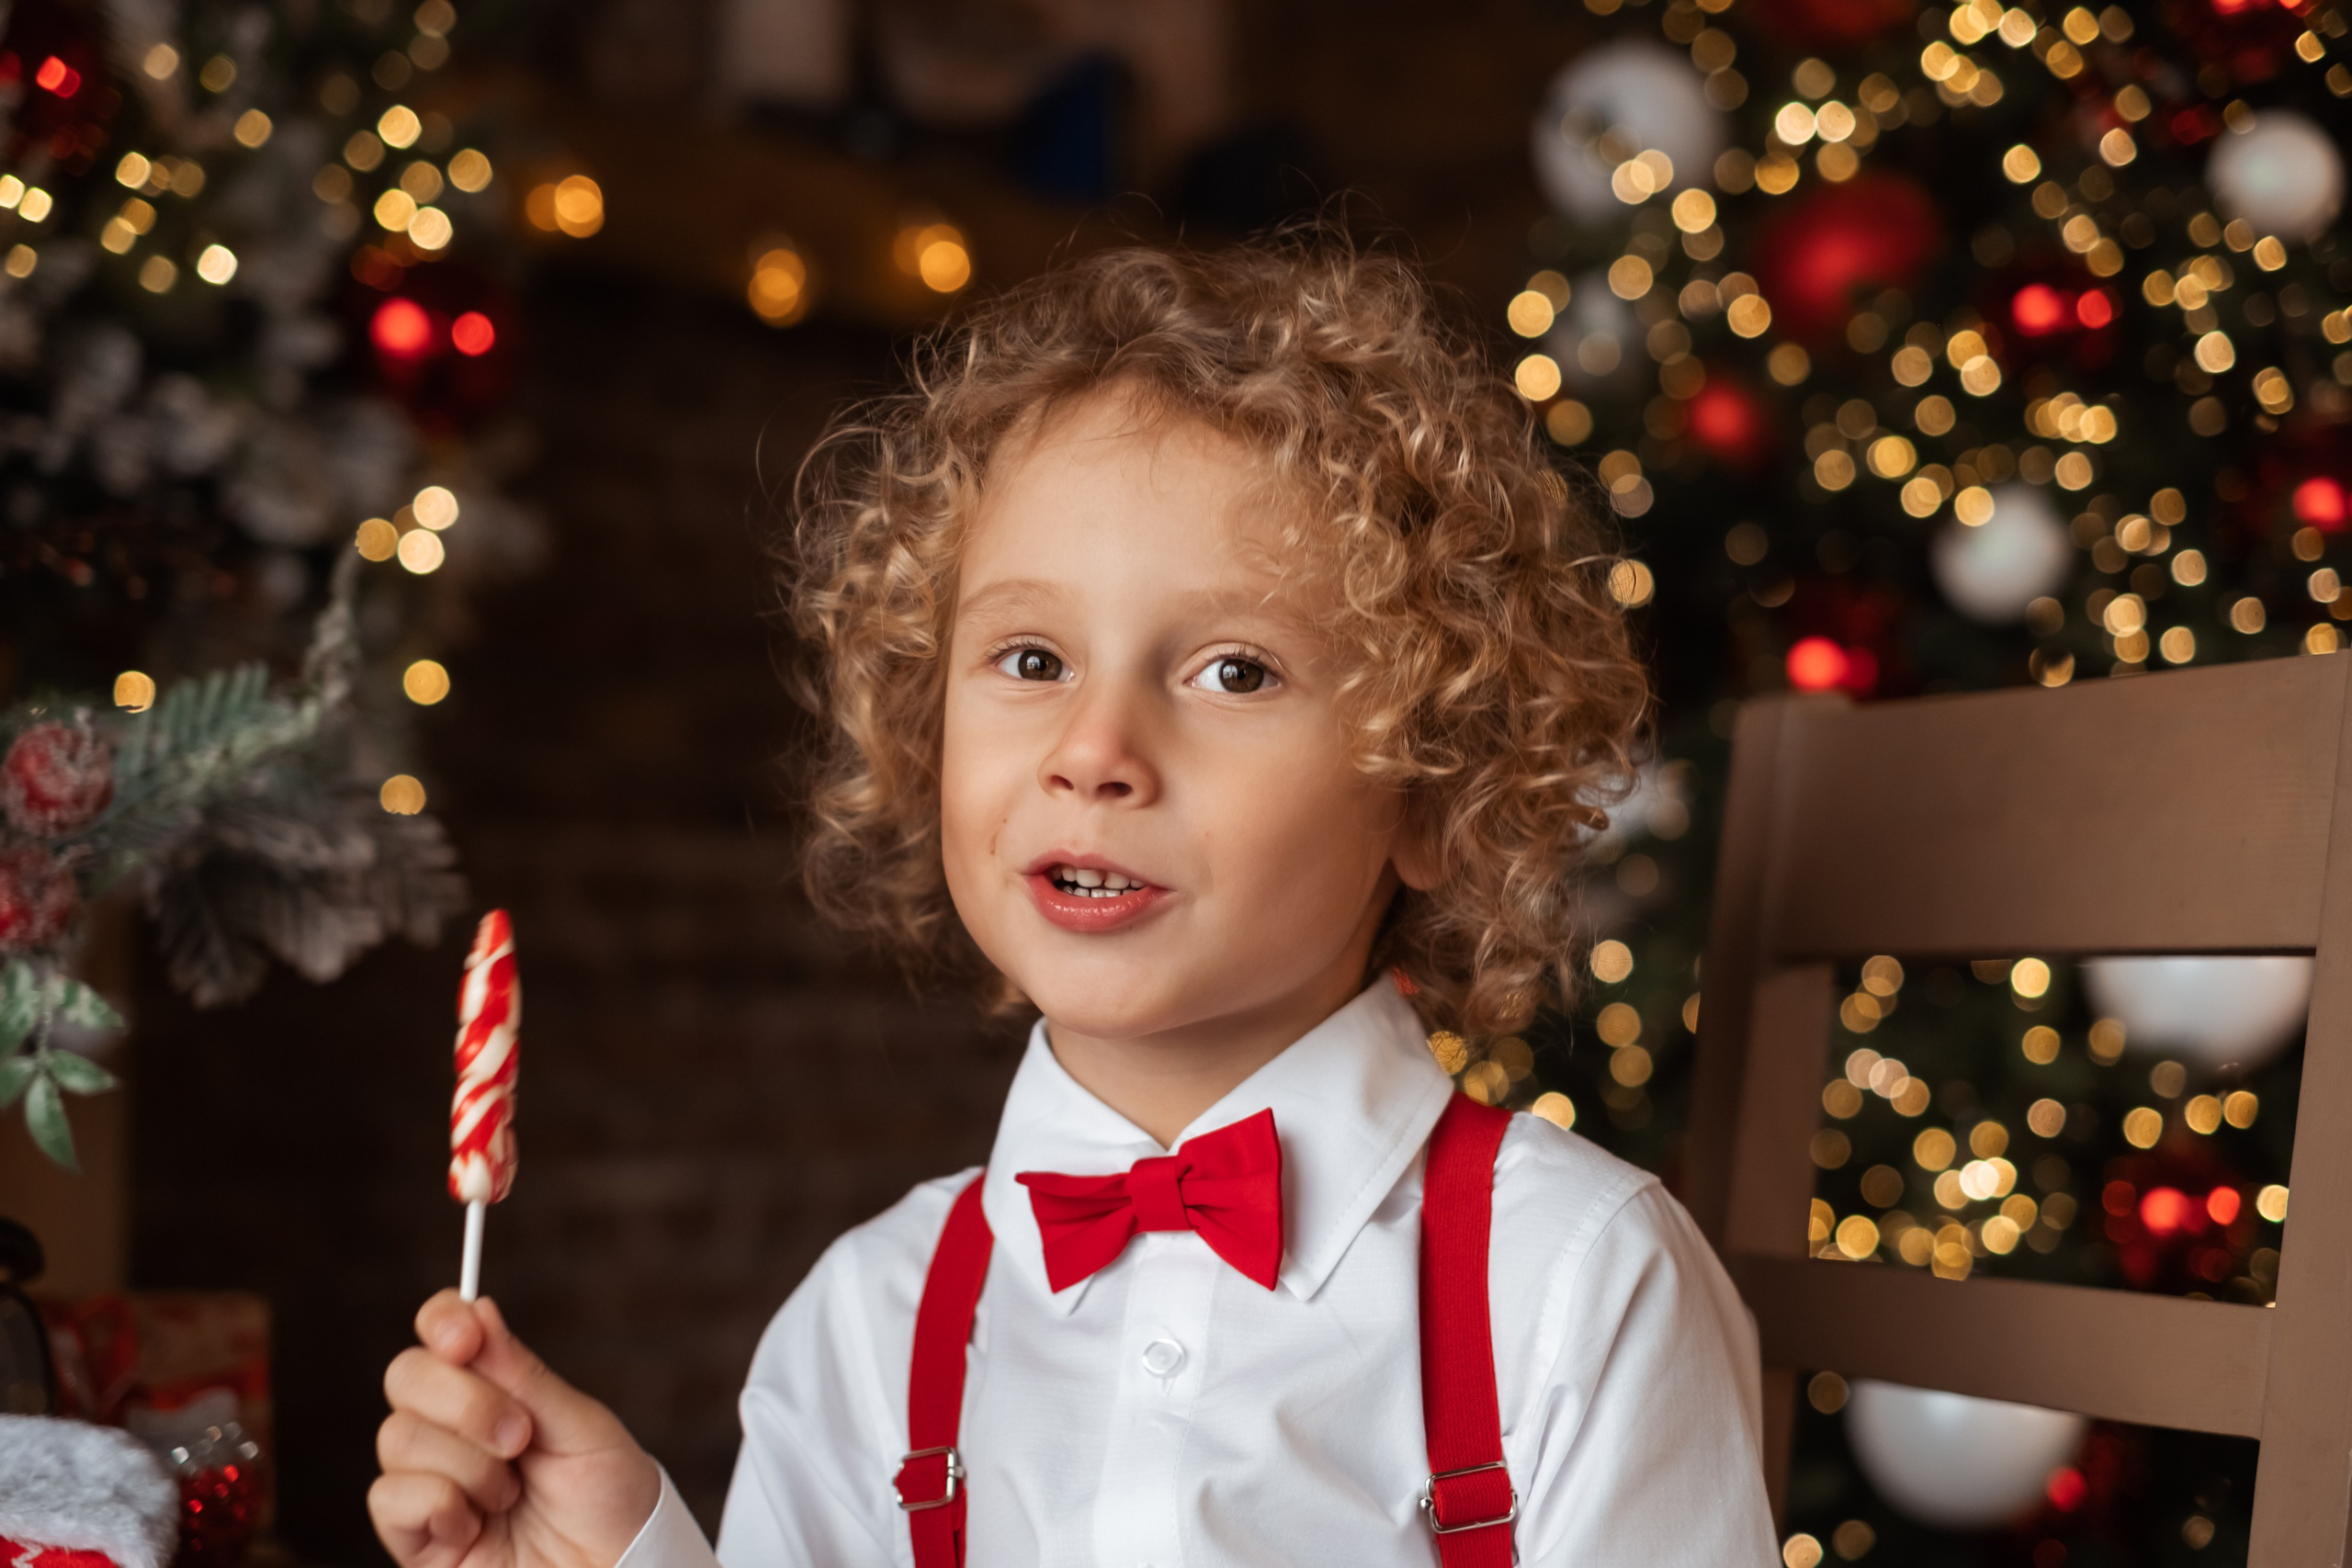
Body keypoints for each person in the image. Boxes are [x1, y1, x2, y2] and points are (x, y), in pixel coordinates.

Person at [368, 233, 1779, 1568]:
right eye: (1032, 660)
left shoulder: (1574, 1291)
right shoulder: (872, 1323)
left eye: (1233, 671)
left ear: (1427, 787)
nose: (1094, 753)